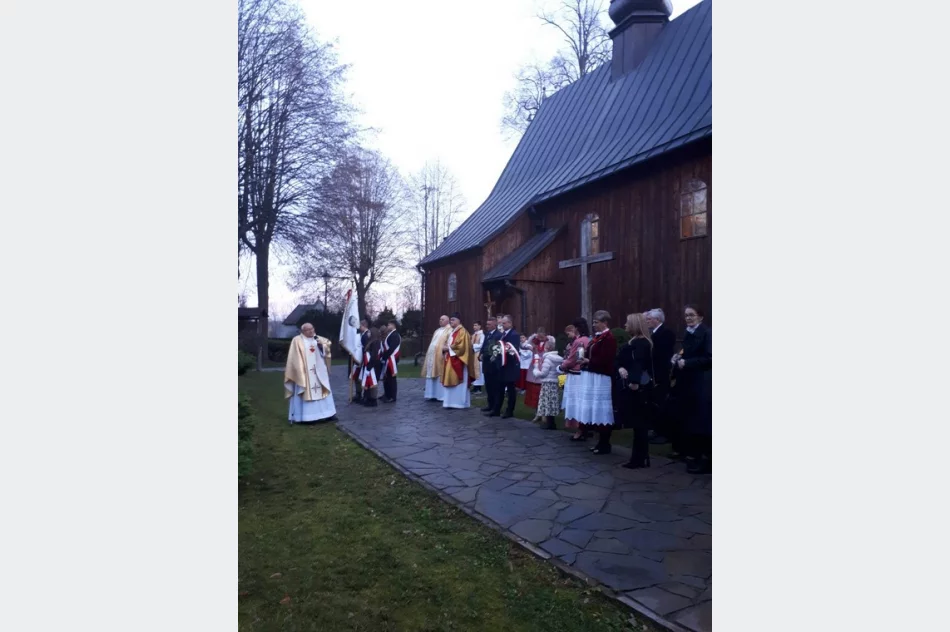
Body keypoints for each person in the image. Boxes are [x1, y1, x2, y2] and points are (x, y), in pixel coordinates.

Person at [670, 305, 712, 474]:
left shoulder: (707, 333)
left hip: (701, 381)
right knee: (689, 418)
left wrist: (687, 363)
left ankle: (705, 459)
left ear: (700, 317)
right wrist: (678, 356)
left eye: (692, 315)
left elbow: (710, 358)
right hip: (687, 381)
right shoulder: (689, 332)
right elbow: (685, 350)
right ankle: (690, 453)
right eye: (686, 315)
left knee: (702, 420)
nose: (688, 318)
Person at [574, 310, 617, 454]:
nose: (593, 325)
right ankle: (599, 441)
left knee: (602, 409)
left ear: (604, 323)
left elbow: (606, 358)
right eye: (593, 322)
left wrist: (589, 361)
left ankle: (605, 442)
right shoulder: (597, 338)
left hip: (601, 377)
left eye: (596, 322)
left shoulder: (608, 338)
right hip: (593, 375)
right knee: (595, 409)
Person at [616, 313, 655, 468]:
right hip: (633, 385)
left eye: (627, 323)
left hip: (639, 388)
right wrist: (620, 368)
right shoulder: (633, 342)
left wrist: (634, 381)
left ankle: (639, 458)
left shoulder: (643, 343)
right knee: (637, 423)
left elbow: (638, 364)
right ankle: (640, 457)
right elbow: (619, 360)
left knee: (640, 424)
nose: (625, 325)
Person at [284, 323, 337, 423]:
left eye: (312, 328)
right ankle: (308, 417)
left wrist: (322, 347)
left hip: (319, 372)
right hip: (305, 373)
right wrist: (300, 370)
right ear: (303, 331)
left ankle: (329, 413)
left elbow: (326, 351)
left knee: (324, 392)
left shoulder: (319, 339)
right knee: (306, 393)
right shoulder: (297, 340)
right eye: (308, 330)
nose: (311, 331)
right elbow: (294, 357)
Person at [645, 308, 677, 449]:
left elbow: (662, 354)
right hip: (653, 373)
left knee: (661, 401)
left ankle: (663, 433)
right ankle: (656, 429)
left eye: (650, 319)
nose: (648, 321)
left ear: (657, 320)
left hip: (662, 373)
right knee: (655, 402)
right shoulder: (653, 333)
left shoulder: (666, 333)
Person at [441, 313, 480, 409]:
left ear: (459, 320)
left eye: (453, 319)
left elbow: (462, 347)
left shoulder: (462, 332)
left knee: (459, 381)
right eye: (450, 320)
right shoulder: (453, 332)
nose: (451, 321)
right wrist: (445, 348)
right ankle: (450, 402)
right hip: (450, 359)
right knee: (450, 378)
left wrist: (448, 348)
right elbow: (450, 343)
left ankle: (459, 403)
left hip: (459, 361)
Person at [561, 319, 591, 441]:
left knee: (576, 402)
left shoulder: (579, 341)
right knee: (583, 401)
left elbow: (572, 359)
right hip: (584, 373)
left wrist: (562, 366)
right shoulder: (588, 339)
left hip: (575, 374)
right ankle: (585, 427)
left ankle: (579, 429)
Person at [485, 314, 520, 418]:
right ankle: (496, 409)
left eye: (504, 323)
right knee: (499, 389)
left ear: (510, 323)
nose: (502, 325)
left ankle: (510, 411)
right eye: (501, 323)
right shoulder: (503, 334)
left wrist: (502, 352)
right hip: (501, 366)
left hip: (510, 367)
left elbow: (512, 350)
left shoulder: (514, 335)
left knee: (510, 390)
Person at [532, 339, 563, 430]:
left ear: (547, 348)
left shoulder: (548, 359)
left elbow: (543, 373)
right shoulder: (557, 358)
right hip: (554, 382)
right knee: (552, 402)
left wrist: (536, 371)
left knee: (547, 402)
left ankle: (550, 423)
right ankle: (551, 422)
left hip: (547, 383)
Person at [524, 328, 554, 420]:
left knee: (543, 392)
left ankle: (543, 413)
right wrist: (533, 338)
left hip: (544, 367)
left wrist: (548, 341)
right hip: (535, 367)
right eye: (538, 336)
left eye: (542, 336)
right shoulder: (534, 342)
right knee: (534, 392)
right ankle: (537, 412)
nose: (540, 338)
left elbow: (552, 346)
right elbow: (524, 345)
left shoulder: (549, 342)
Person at [422, 315, 452, 402]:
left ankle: (440, 395)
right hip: (432, 356)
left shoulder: (450, 330)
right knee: (431, 375)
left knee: (439, 375)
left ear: (447, 321)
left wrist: (444, 349)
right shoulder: (437, 330)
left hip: (441, 356)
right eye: (440, 319)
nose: (440, 321)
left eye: (442, 319)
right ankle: (431, 394)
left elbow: (450, 343)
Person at [479, 317, 501, 413]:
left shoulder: (498, 335)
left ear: (494, 325)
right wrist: (481, 354)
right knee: (488, 385)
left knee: (494, 386)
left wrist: (492, 356)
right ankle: (490, 404)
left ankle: (495, 407)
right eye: (487, 324)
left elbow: (498, 349)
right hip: (486, 363)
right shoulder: (487, 334)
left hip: (493, 364)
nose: (487, 326)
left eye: (489, 324)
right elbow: (484, 345)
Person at [360, 327, 383, 407]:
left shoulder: (376, 342)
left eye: (369, 332)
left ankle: (373, 400)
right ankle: (368, 398)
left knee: (373, 383)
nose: (368, 333)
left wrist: (369, 367)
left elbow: (374, 356)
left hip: (374, 366)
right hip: (370, 365)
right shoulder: (370, 342)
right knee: (369, 382)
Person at [380, 319, 402, 403]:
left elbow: (392, 348)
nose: (387, 326)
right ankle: (386, 394)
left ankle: (392, 396)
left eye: (389, 325)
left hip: (392, 359)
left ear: (393, 325)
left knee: (391, 378)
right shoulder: (391, 334)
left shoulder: (395, 335)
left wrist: (385, 357)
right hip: (388, 359)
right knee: (386, 377)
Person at [351, 318, 371, 403]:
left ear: (364, 325)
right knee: (358, 377)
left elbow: (366, 348)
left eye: (361, 325)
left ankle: (365, 396)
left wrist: (361, 359)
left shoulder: (367, 335)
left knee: (363, 378)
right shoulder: (363, 334)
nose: (360, 327)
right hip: (360, 358)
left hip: (364, 359)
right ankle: (359, 395)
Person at [470, 321, 485, 393]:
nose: (474, 327)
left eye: (476, 325)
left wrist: (473, 346)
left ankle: (479, 387)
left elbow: (481, 344)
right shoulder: (473, 335)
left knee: (479, 370)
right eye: (473, 325)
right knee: (474, 369)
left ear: (480, 326)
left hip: (478, 354)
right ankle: (475, 386)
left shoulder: (482, 335)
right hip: (473, 354)